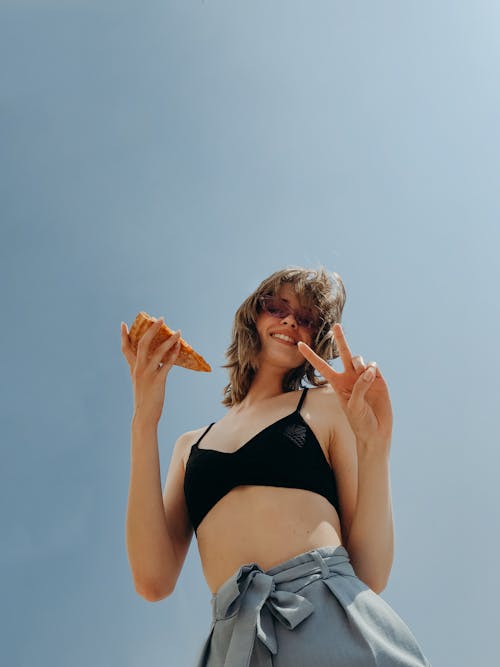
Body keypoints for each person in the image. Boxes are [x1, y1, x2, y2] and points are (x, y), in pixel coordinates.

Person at [121, 266, 432, 666]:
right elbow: (153, 581)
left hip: (327, 617)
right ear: (253, 313)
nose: (289, 321)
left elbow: (371, 573)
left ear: (317, 336)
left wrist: (375, 445)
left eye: (306, 318)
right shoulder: (188, 446)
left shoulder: (326, 406)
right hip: (236, 642)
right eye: (277, 307)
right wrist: (144, 420)